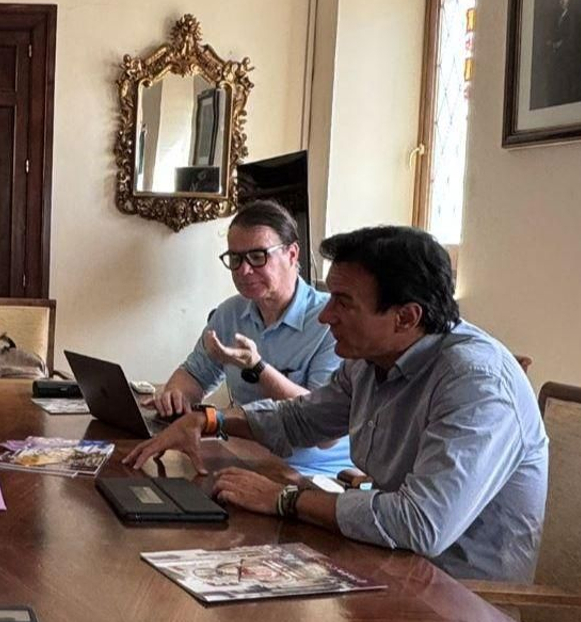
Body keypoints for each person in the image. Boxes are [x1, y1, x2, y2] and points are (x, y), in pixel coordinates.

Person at [128, 225, 547, 583]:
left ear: (406, 317)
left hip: (459, 605)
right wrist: (209, 420)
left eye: (343, 303)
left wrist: (285, 499)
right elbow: (302, 419)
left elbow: (421, 524)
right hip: (384, 564)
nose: (326, 317)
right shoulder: (371, 360)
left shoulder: (476, 383)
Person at [149, 200, 352, 479]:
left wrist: (257, 368)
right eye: (235, 259)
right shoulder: (231, 312)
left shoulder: (331, 320)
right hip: (243, 455)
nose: (243, 270)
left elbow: (322, 427)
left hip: (309, 472)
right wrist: (174, 396)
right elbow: (193, 375)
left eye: (257, 257)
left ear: (292, 254)